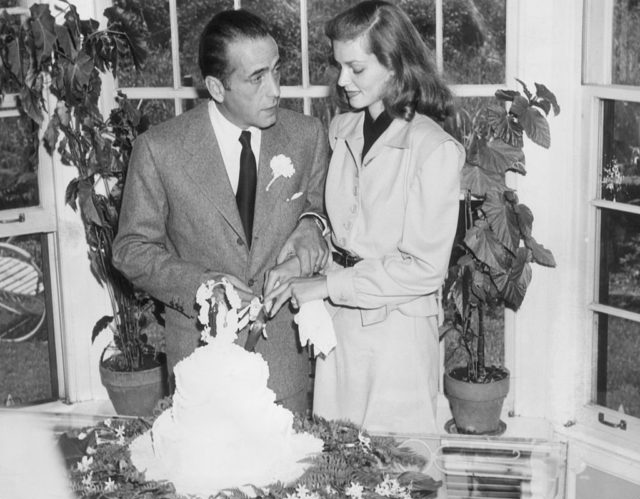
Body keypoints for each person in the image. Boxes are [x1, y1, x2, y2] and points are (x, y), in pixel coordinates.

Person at [112, 9, 330, 414]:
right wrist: (202, 286)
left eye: (277, 71)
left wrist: (312, 226)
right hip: (200, 370)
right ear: (216, 86)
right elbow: (131, 249)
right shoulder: (160, 149)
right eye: (256, 78)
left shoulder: (306, 136)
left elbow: (323, 211)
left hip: (284, 372)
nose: (276, 91)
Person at [264, 0, 464, 435]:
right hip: (339, 327)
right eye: (338, 66)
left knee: (398, 478)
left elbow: (424, 270)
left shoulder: (433, 149)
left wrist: (326, 285)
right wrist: (301, 263)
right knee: (340, 470)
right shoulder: (343, 130)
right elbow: (340, 229)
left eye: (356, 68)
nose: (341, 80)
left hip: (399, 337)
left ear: (394, 66)